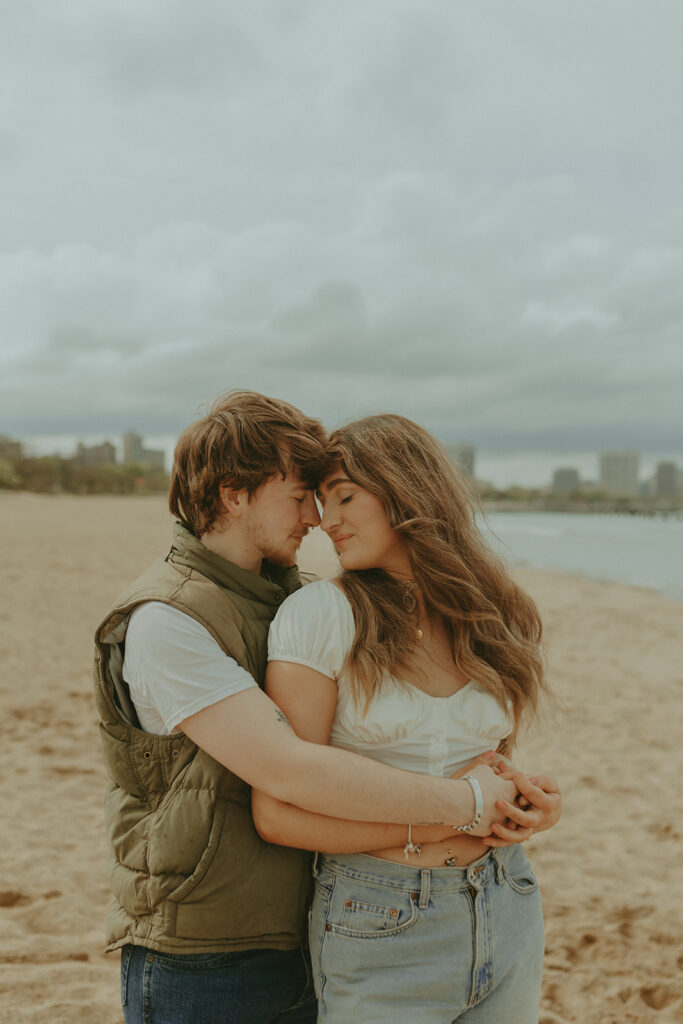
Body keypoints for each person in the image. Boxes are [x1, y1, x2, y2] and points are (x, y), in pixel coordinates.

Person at [93, 391, 523, 1024]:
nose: (316, 518)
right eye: (300, 496)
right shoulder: (167, 620)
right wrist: (466, 808)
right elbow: (288, 770)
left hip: (306, 924)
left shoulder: (289, 596)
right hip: (207, 950)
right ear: (234, 495)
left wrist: (512, 796)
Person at [252, 413, 561, 1024]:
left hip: (506, 900)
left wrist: (531, 805)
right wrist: (450, 820)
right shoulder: (320, 615)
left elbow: (487, 768)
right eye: (321, 503)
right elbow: (278, 814)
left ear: (407, 489)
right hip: (379, 919)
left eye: (345, 496)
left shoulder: (497, 613)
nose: (327, 521)